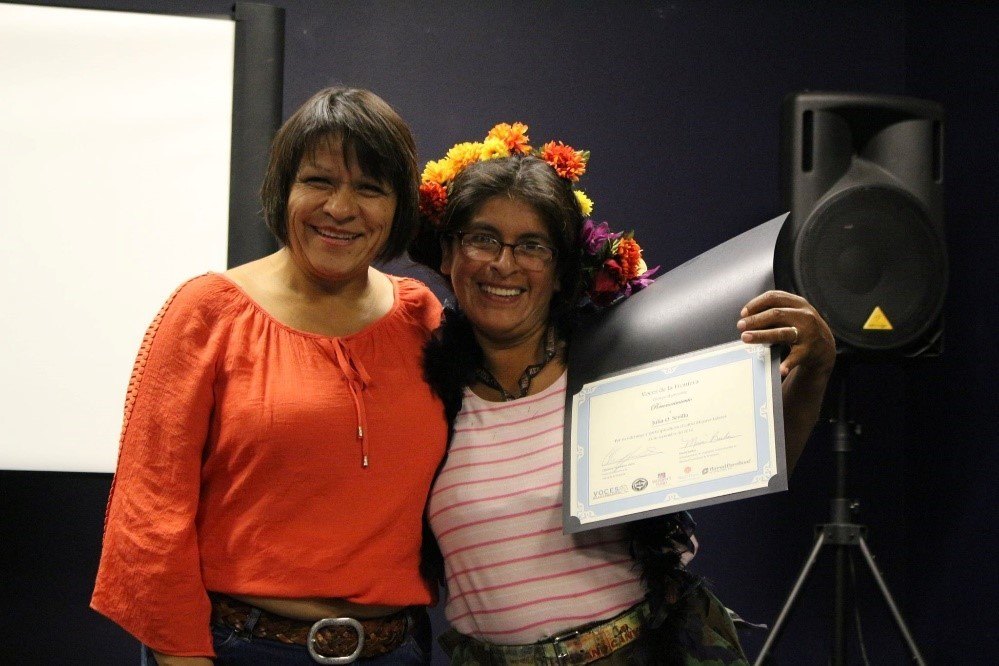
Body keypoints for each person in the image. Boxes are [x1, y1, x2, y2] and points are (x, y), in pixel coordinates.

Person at [409, 124, 836, 664]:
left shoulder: (618, 364)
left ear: (563, 271)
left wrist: (815, 372)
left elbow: (761, 462)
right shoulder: (422, 394)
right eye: (482, 238)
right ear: (449, 254)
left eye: (532, 246)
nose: (504, 263)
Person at [91, 88, 447, 665]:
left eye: (369, 188)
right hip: (241, 649)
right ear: (284, 188)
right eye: (319, 181)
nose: (340, 207)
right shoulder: (205, 311)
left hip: (397, 650)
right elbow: (150, 516)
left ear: (398, 207)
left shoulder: (422, 319)